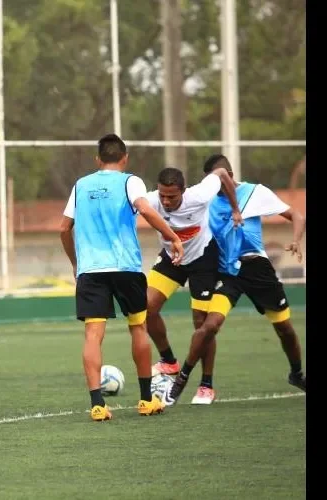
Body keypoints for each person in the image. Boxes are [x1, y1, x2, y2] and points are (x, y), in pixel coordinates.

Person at [163, 154, 307, 405]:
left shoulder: (254, 193)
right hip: (227, 274)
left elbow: (297, 215)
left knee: (284, 329)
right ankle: (182, 378)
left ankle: (296, 374)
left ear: (228, 177)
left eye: (220, 180)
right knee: (210, 325)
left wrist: (296, 240)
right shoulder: (206, 202)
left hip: (258, 270)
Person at [60, 133, 184, 422]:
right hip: (126, 267)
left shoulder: (81, 185)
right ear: (125, 158)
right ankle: (145, 400)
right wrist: (172, 236)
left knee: (93, 334)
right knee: (138, 328)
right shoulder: (131, 181)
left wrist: (76, 263)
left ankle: (97, 405)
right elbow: (145, 209)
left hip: (91, 270)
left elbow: (64, 228)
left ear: (97, 160)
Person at [145, 165, 242, 405]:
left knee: (202, 324)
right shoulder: (149, 201)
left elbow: (220, 172)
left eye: (172, 197)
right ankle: (168, 361)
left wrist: (235, 207)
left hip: (202, 260)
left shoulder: (199, 195)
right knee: (145, 308)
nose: (166, 202)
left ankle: (206, 384)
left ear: (184, 191)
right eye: (162, 196)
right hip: (171, 260)